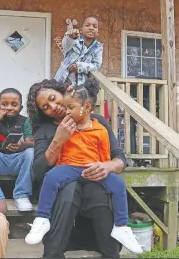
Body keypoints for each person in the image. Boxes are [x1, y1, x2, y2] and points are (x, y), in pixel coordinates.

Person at [25, 80, 142, 254]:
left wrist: (107, 166)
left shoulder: (96, 122)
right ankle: (53, 252)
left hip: (93, 178)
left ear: (62, 93)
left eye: (53, 98)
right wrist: (58, 140)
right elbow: (40, 171)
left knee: (97, 191)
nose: (53, 106)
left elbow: (119, 157)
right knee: (70, 190)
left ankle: (111, 250)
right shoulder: (45, 130)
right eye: (45, 107)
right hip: (61, 186)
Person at [0, 88, 34, 211]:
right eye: (4, 104)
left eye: (14, 104)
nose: (9, 107)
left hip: (17, 161)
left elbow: (31, 142)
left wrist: (22, 146)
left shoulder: (25, 121)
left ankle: (21, 195)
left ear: (21, 108)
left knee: (31, 152)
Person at [54, 16, 103, 86]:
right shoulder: (74, 40)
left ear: (97, 32)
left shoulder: (98, 47)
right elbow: (66, 45)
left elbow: (96, 65)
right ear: (81, 30)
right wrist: (70, 37)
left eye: (94, 26)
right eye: (87, 25)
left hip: (80, 84)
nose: (91, 28)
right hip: (62, 80)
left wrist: (79, 66)